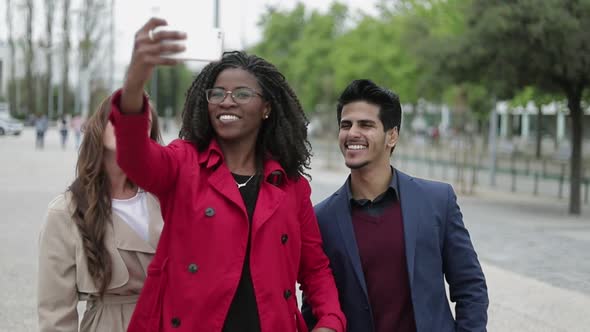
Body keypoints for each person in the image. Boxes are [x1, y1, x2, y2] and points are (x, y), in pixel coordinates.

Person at [107, 17, 345, 332]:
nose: (226, 101)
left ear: (266, 108)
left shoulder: (291, 186)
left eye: (242, 94)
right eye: (216, 93)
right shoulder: (183, 163)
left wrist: (330, 321)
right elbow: (136, 159)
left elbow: (314, 268)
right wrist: (135, 81)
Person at [302, 79, 488, 332]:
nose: (352, 133)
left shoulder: (437, 201)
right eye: (346, 125)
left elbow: (469, 285)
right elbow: (316, 306)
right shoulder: (321, 218)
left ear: (392, 135)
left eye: (366, 125)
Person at [37, 97, 164, 331]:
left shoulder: (166, 199)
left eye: (141, 122)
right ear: (98, 126)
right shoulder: (65, 212)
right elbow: (55, 313)